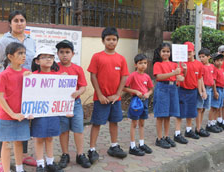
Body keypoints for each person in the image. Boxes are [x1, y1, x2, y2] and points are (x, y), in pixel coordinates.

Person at [0, 10, 36, 172]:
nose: (19, 23)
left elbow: (33, 63)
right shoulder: (3, 42)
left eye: (22, 20)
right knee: (6, 124)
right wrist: (5, 82)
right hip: (8, 90)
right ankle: (1, 159)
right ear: (10, 23)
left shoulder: (31, 41)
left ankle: (22, 155)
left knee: (23, 120)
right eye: (16, 20)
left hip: (26, 90)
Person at [87, 27, 129, 162]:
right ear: (103, 41)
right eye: (108, 39)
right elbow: (93, 76)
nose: (111, 42)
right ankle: (92, 149)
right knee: (97, 123)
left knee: (114, 122)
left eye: (114, 39)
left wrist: (117, 94)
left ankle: (114, 146)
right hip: (101, 99)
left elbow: (124, 77)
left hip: (115, 99)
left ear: (117, 41)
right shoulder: (97, 57)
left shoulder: (121, 59)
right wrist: (99, 95)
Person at [0, 42, 31, 172]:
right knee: (7, 145)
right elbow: (0, 97)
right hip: (7, 117)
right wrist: (12, 114)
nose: (23, 56)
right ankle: (7, 169)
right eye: (20, 53)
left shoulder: (27, 73)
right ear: (10, 56)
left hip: (22, 115)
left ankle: (19, 168)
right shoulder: (4, 74)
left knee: (19, 142)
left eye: (24, 53)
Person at [55, 40, 91, 169]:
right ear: (57, 54)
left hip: (75, 104)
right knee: (63, 131)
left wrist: (78, 92)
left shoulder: (77, 68)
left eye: (67, 52)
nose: (65, 55)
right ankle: (65, 154)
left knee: (78, 130)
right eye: (62, 52)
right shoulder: (54, 68)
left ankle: (80, 154)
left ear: (72, 54)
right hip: (61, 105)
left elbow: (83, 86)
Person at [30, 46, 63, 172]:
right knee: (39, 138)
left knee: (50, 137)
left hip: (53, 113)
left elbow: (63, 94)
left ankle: (50, 162)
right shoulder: (32, 76)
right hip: (38, 113)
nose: (48, 59)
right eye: (44, 57)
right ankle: (40, 164)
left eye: (50, 57)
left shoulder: (58, 76)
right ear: (37, 61)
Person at [153, 42, 184, 149]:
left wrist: (184, 72)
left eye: (168, 51)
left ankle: (166, 136)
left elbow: (181, 78)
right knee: (160, 114)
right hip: (162, 88)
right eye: (163, 51)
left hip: (172, 89)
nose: (166, 53)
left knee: (168, 114)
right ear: (159, 52)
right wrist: (174, 73)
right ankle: (159, 138)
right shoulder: (157, 64)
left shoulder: (175, 64)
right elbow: (159, 77)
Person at [123, 54, 154, 156]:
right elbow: (125, 88)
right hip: (136, 102)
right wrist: (135, 91)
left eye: (145, 63)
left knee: (142, 123)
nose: (143, 65)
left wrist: (148, 94)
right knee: (134, 123)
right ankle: (132, 146)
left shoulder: (147, 76)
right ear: (135, 64)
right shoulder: (132, 75)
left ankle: (141, 143)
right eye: (140, 63)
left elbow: (151, 89)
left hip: (144, 101)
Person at [174, 41, 203, 143]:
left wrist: (201, 91)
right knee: (180, 112)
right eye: (186, 52)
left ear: (194, 52)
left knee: (191, 111)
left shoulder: (199, 65)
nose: (188, 54)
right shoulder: (180, 64)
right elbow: (179, 77)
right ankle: (177, 133)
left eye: (190, 52)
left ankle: (188, 130)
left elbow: (199, 78)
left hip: (193, 91)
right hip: (182, 90)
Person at [206, 53, 224, 133]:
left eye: (221, 60)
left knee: (218, 108)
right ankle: (209, 124)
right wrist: (215, 91)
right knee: (213, 107)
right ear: (214, 61)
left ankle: (214, 122)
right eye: (218, 61)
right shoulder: (215, 70)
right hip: (217, 89)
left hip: (222, 89)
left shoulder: (222, 70)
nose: (220, 62)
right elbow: (214, 82)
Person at [195, 48, 212, 137]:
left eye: (203, 57)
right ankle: (198, 128)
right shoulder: (200, 67)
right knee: (199, 108)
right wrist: (202, 91)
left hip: (209, 89)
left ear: (208, 57)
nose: (201, 59)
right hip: (202, 88)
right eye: (200, 57)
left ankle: (200, 126)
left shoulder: (211, 66)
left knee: (204, 108)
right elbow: (199, 79)